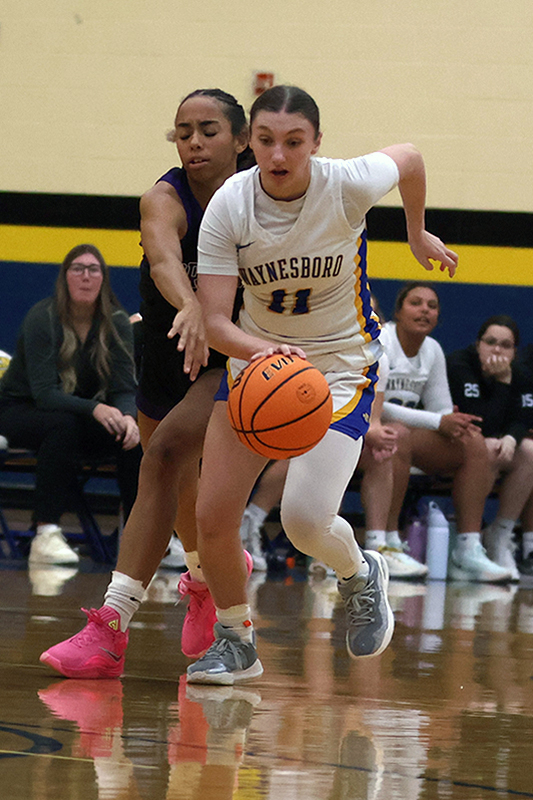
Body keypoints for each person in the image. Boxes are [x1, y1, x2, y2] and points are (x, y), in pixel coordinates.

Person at [184, 83, 459, 685]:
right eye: (265, 141)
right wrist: (263, 352)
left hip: (339, 366)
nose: (278, 155)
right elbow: (216, 323)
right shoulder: (230, 205)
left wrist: (415, 233)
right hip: (260, 364)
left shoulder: (347, 183)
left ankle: (360, 574)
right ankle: (236, 641)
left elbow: (410, 158)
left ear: (315, 143)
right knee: (212, 517)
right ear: (250, 142)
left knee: (305, 521)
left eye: (293, 141)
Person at [39, 89, 254, 678]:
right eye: (183, 132)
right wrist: (191, 308)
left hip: (231, 353)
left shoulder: (260, 196)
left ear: (241, 139)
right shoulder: (163, 197)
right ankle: (206, 580)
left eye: (208, 130)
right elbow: (163, 260)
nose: (194, 142)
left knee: (159, 459)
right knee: (174, 482)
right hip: (170, 343)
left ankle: (110, 628)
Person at [0, 244, 142, 565]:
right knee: (62, 425)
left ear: (103, 279)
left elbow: (124, 388)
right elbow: (45, 394)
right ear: (65, 277)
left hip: (74, 415)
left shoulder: (117, 322)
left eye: (93, 269)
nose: (85, 276)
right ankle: (45, 533)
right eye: (77, 269)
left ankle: (140, 535)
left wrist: (128, 417)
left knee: (132, 436)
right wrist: (96, 409)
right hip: (18, 409)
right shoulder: (43, 317)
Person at [367, 282, 512, 583]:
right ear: (398, 312)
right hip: (369, 430)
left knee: (471, 440)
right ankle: (389, 542)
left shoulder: (432, 350)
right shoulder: (382, 341)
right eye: (416, 303)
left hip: (409, 434)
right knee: (397, 434)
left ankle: (468, 548)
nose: (424, 310)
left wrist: (453, 422)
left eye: (432, 306)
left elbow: (441, 409)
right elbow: (378, 407)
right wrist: (438, 421)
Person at [447, 315, 533, 580]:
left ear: (514, 351)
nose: (497, 350)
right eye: (491, 342)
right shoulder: (460, 365)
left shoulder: (520, 372)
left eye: (506, 345)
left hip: (493, 444)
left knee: (529, 452)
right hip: (456, 444)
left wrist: (512, 437)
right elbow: (480, 421)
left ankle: (500, 536)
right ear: (478, 345)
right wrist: (502, 383)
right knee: (488, 447)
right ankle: (467, 541)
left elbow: (524, 417)